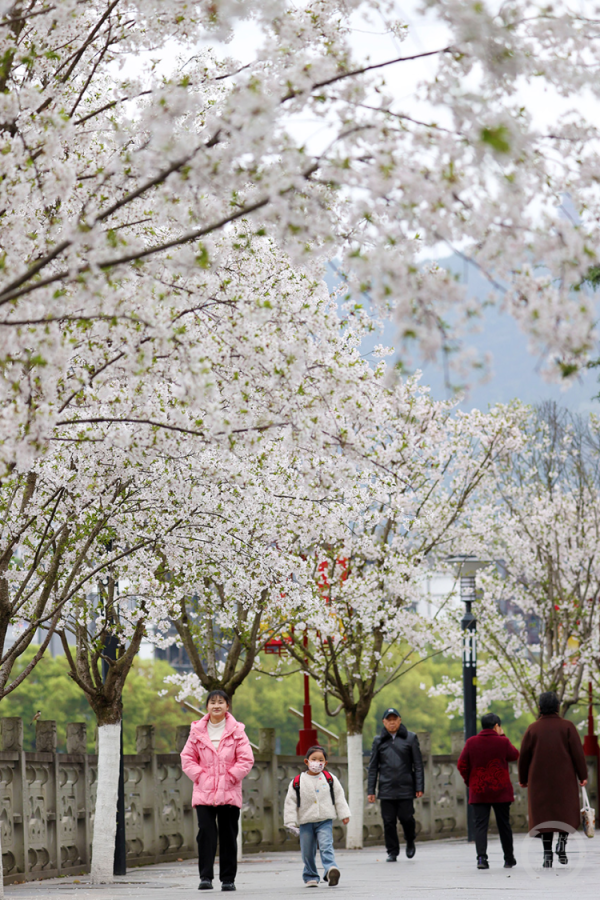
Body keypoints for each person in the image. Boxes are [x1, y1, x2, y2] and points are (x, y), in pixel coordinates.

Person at [180, 689, 254, 892]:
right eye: (212, 702)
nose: (216, 705)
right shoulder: (196, 731)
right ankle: (205, 877)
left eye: (221, 702)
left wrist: (230, 777)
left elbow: (246, 759)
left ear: (227, 706)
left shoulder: (237, 731)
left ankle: (228, 879)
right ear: (207, 706)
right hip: (204, 791)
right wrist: (201, 776)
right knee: (206, 833)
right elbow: (187, 758)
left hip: (229, 791)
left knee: (228, 835)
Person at [518, 690, 588, 868]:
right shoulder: (567, 727)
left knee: (545, 816)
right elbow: (578, 753)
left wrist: (523, 778)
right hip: (564, 778)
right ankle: (562, 845)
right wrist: (583, 775)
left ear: (540, 707)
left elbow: (523, 757)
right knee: (564, 812)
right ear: (557, 706)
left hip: (539, 780)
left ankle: (547, 854)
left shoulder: (532, 729)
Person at [457, 713, 519, 870]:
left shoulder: (471, 742)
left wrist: (469, 781)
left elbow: (461, 764)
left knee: (480, 825)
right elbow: (514, 755)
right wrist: (503, 735)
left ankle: (481, 858)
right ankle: (509, 858)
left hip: (479, 789)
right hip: (500, 790)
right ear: (497, 726)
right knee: (504, 824)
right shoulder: (503, 741)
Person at [283, 745, 351, 887]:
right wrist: (290, 821)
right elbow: (290, 802)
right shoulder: (297, 781)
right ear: (306, 761)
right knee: (307, 851)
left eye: (321, 760)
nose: (317, 762)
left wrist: (344, 814)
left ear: (325, 763)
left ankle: (330, 869)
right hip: (305, 821)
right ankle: (310, 875)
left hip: (325, 820)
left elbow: (339, 796)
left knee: (326, 845)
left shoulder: (330, 778)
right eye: (314, 759)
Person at [367, 707, 424, 861]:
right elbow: (373, 767)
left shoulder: (410, 738)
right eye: (389, 720)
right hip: (386, 788)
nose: (392, 723)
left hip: (406, 787)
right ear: (383, 722)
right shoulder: (378, 741)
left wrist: (419, 786)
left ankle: (410, 839)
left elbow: (418, 765)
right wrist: (371, 790)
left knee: (407, 818)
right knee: (388, 822)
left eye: (394, 719)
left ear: (400, 720)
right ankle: (392, 851)